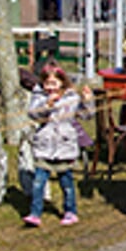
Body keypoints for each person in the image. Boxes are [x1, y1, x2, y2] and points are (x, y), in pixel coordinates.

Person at [23, 64, 95, 227]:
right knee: (38, 182)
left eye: (54, 84)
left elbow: (87, 115)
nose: (51, 88)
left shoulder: (72, 98)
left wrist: (88, 101)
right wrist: (47, 105)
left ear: (62, 83)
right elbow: (33, 114)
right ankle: (35, 213)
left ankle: (70, 211)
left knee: (67, 183)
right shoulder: (39, 97)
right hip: (44, 146)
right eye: (47, 84)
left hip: (64, 147)